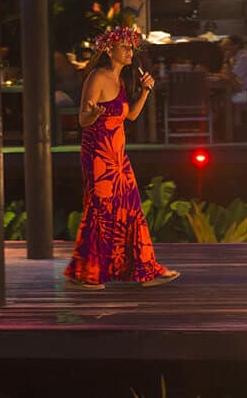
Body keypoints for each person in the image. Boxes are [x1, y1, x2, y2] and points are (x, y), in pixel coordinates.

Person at [62, 25, 180, 290]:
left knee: (131, 209)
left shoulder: (121, 80)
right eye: (124, 47)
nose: (130, 51)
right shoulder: (98, 76)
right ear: (109, 49)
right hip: (98, 156)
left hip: (118, 157)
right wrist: (93, 115)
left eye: (131, 47)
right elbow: (83, 119)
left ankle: (144, 269)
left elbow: (131, 116)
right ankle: (84, 274)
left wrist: (146, 90)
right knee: (100, 210)